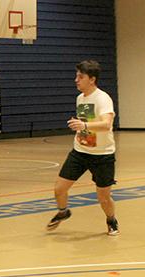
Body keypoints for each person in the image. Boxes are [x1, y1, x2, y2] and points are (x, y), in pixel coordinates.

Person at [47, 60, 118, 235]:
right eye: (76, 76)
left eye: (80, 77)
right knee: (59, 189)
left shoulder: (103, 98)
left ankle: (111, 220)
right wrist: (81, 127)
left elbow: (107, 124)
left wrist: (84, 126)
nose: (76, 80)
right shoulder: (80, 98)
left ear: (92, 79)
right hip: (80, 151)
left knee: (103, 197)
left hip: (102, 155)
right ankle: (63, 212)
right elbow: (86, 123)